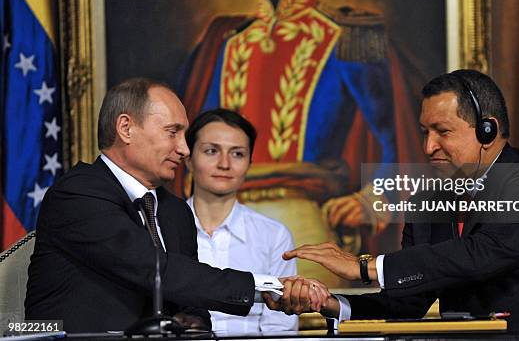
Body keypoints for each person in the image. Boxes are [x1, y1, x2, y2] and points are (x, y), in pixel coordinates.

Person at [177, 0, 424, 286]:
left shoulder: (351, 38)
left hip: (302, 220)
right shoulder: (223, 43)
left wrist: (371, 201)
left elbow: (404, 142)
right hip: (218, 218)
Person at [274, 69, 519, 329]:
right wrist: (330, 303)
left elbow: (480, 254)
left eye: (442, 131)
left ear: (487, 130)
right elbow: (404, 305)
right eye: (425, 132)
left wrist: (365, 266)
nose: (428, 147)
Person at [25, 78, 326, 333]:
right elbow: (153, 269)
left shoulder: (173, 210)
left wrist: (193, 324)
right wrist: (264, 287)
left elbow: (192, 303)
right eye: (173, 132)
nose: (183, 149)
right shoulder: (78, 194)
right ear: (126, 128)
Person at [184, 108, 298, 333]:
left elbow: (279, 327)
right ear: (188, 159)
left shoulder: (273, 235)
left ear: (249, 164)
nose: (224, 164)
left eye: (237, 154)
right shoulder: (158, 227)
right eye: (211, 151)